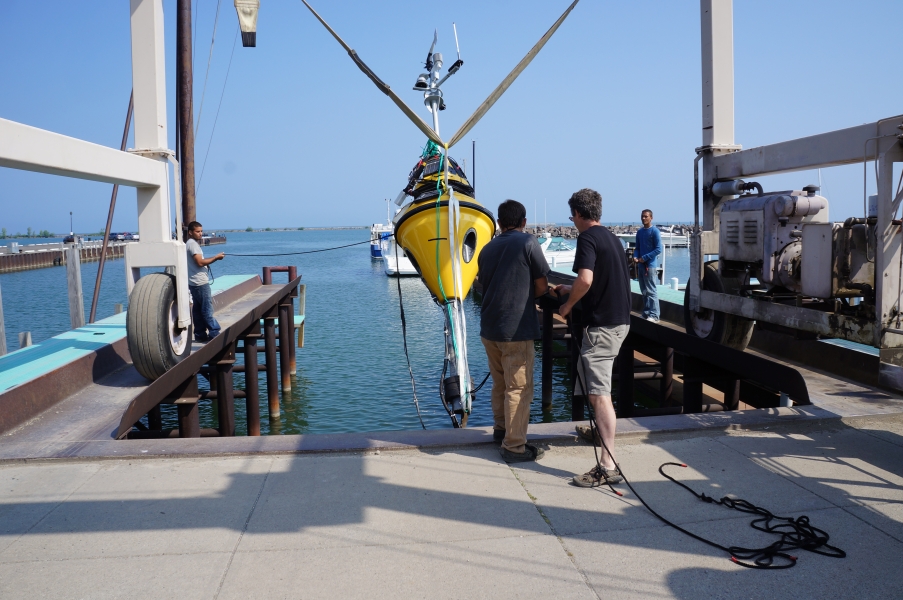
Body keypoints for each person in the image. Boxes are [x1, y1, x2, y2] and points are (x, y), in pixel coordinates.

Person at [553, 188, 631, 486]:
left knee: (600, 395)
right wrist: (568, 290)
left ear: (579, 215)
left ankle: (608, 465)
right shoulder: (611, 237)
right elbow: (596, 281)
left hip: (602, 327)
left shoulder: (586, 238)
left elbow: (586, 279)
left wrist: (568, 304)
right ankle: (598, 432)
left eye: (572, 215)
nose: (572, 221)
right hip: (618, 321)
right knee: (592, 385)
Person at [478, 199, 551, 463]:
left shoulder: (486, 249)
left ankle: (501, 431)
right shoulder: (528, 242)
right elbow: (542, 285)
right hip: (516, 329)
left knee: (500, 384)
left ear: (498, 223)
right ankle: (514, 446)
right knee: (518, 388)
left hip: (489, 328)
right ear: (523, 222)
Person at [186, 221, 225, 342]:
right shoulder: (193, 245)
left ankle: (200, 334)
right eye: (197, 231)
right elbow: (199, 262)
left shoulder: (188, 244)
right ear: (190, 232)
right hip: (200, 282)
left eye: (201, 231)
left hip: (193, 282)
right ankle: (214, 332)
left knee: (197, 309)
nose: (200, 234)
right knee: (206, 308)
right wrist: (216, 258)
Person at [633, 209, 662, 322]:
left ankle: (655, 315)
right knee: (643, 290)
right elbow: (637, 248)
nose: (643, 218)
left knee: (651, 290)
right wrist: (635, 256)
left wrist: (644, 258)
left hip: (650, 266)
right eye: (642, 216)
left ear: (651, 218)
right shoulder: (640, 232)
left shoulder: (655, 231)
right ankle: (646, 312)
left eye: (646, 216)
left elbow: (658, 249)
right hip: (640, 265)